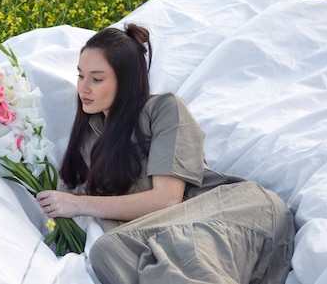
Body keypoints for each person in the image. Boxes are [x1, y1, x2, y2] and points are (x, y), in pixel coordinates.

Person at [36, 23, 295, 284]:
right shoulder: (91, 134)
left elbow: (167, 200)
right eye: (80, 76)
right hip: (161, 235)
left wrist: (80, 204)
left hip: (228, 211)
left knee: (163, 251)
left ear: (125, 81)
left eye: (97, 78)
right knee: (109, 251)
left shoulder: (163, 109)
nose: (84, 87)